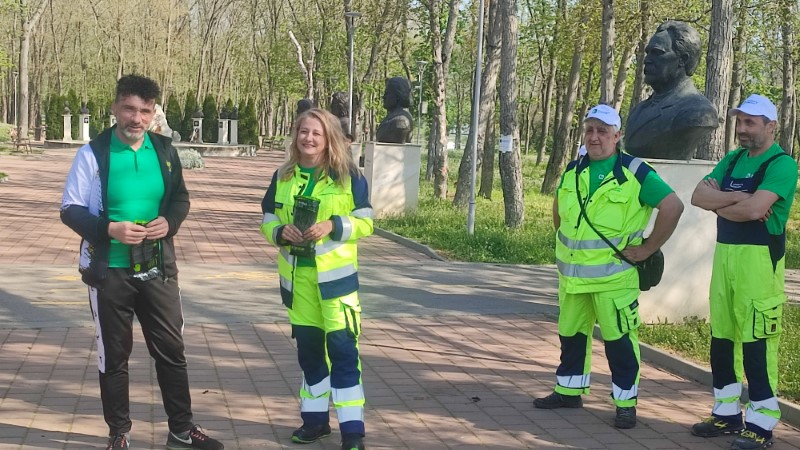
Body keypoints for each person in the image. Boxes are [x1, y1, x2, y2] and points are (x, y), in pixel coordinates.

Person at [60, 75, 224, 450]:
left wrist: (171, 222)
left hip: (157, 268)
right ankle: (119, 432)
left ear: (153, 113)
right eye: (130, 109)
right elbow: (70, 209)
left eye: (145, 111)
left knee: (171, 350)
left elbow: (180, 199)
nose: (137, 118)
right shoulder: (93, 153)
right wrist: (109, 229)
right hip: (109, 272)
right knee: (114, 356)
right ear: (115, 108)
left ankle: (181, 429)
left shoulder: (164, 151)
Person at [534, 104, 684, 429]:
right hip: (573, 277)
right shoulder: (573, 170)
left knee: (619, 343)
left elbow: (672, 205)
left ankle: (625, 404)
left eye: (602, 131)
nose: (594, 137)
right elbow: (559, 213)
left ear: (617, 136)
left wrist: (647, 248)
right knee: (571, 335)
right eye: (589, 130)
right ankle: (568, 392)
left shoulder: (635, 172)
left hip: (613, 281)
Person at [260, 108, 373, 450]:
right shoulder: (282, 176)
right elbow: (267, 217)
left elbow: (366, 221)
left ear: (329, 139)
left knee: (343, 354)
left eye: (316, 133)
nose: (308, 138)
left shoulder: (349, 176)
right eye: (303, 131)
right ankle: (315, 422)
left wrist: (332, 225)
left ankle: (352, 433)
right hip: (298, 284)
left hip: (337, 286)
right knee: (310, 354)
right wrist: (280, 232)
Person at [689, 94, 797, 450]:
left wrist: (725, 202)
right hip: (725, 260)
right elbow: (698, 197)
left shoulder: (782, 165)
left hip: (759, 265)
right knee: (722, 339)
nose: (742, 128)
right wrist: (741, 199)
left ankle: (762, 425)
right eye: (740, 121)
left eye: (750, 122)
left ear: (771, 126)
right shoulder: (732, 160)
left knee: (757, 344)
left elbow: (754, 212)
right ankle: (726, 414)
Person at [625, 21, 718, 160]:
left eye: (657, 53)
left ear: (683, 60)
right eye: (648, 53)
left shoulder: (699, 111)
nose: (647, 60)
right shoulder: (638, 111)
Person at [375, 77, 413, 143]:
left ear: (398, 95)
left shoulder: (400, 121)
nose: (384, 97)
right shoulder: (393, 117)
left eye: (387, 93)